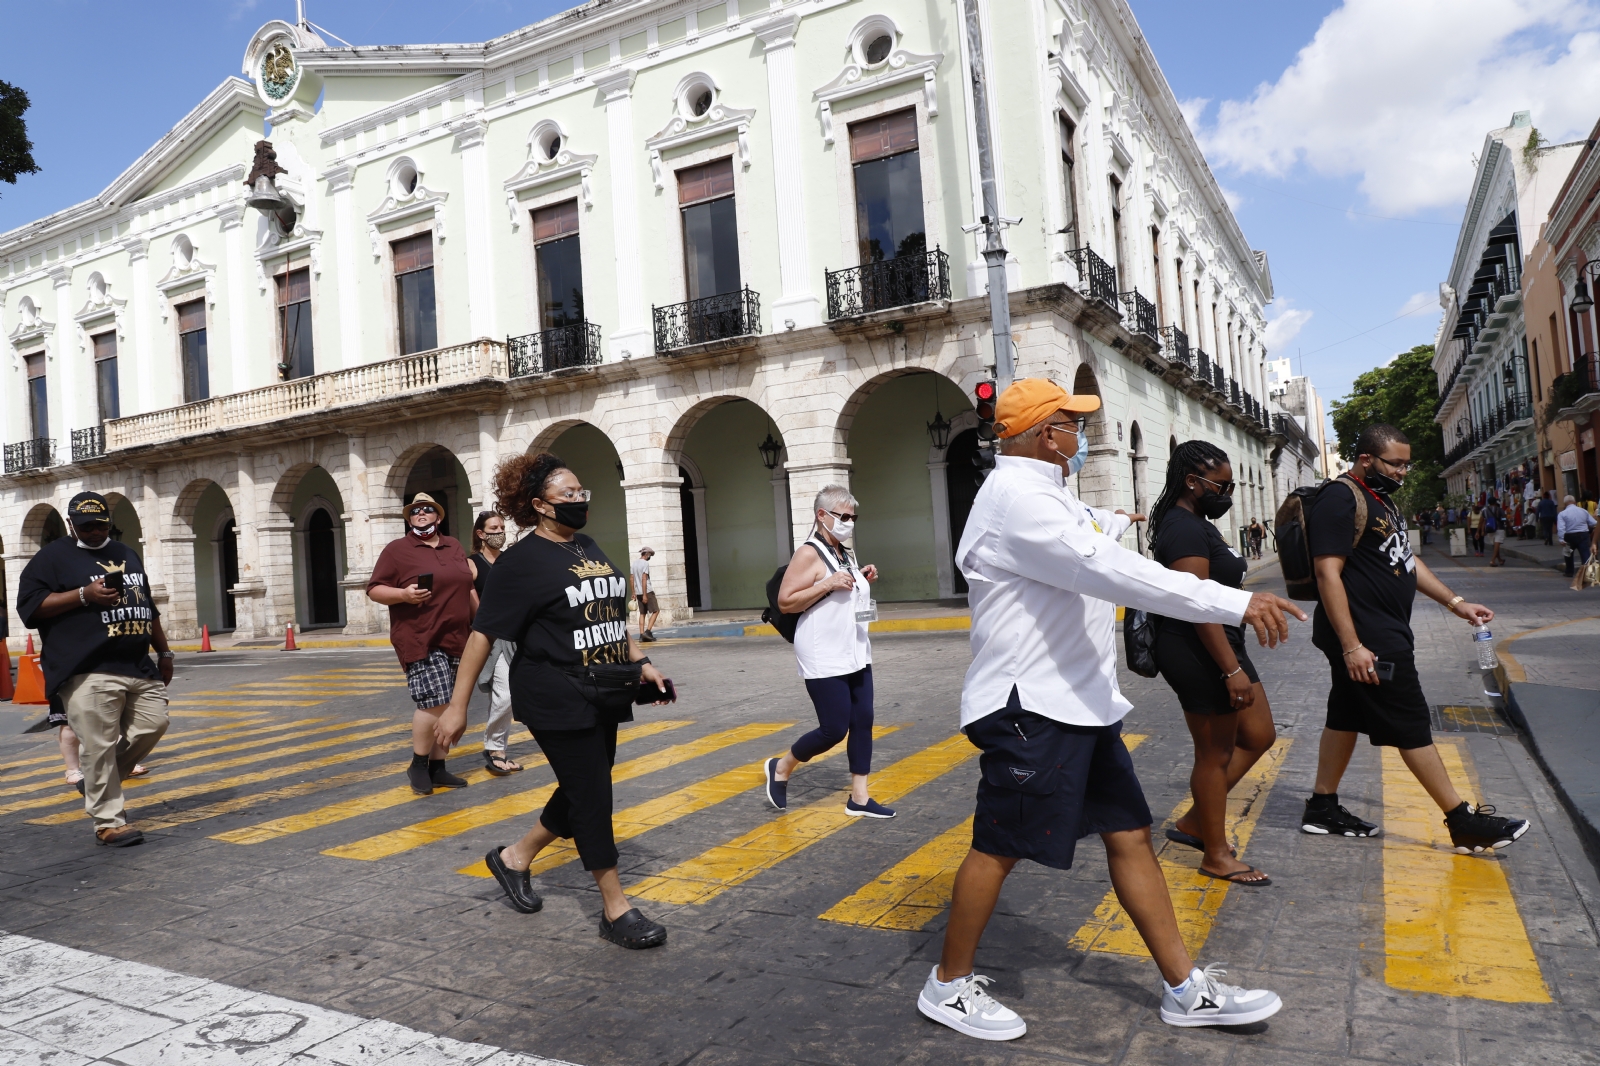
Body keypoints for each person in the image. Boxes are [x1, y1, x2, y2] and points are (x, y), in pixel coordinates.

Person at [917, 379, 1304, 1041]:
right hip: (1030, 706)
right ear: (1046, 435)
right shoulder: (1017, 500)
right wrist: (1235, 603)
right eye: (1074, 426)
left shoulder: (1046, 497)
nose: (1082, 438)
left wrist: (1115, 525)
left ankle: (1184, 989)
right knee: (999, 847)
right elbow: (1113, 572)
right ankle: (947, 987)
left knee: (1128, 836)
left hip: (1079, 704)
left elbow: (1102, 547)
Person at [434, 453, 674, 950]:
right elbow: (483, 635)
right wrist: (459, 707)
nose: (580, 499)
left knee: (583, 786)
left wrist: (639, 662)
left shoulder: (585, 544)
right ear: (540, 505)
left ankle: (515, 857)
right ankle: (615, 908)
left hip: (605, 685)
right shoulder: (520, 564)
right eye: (569, 494)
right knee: (591, 795)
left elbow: (609, 612)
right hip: (553, 691)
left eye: (581, 491)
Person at [1301, 424, 1530, 852]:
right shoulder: (1339, 497)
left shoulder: (1380, 499)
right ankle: (1462, 822)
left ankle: (1322, 806)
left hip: (1380, 632)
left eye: (1408, 464)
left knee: (1345, 714)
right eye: (1396, 463)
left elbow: (1406, 559)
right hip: (1369, 637)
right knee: (1411, 723)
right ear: (1367, 458)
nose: (1404, 472)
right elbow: (1326, 573)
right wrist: (1352, 645)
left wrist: (1455, 601)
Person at [1148, 442, 1277, 886]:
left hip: (1222, 643)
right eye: (1220, 485)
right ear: (1192, 482)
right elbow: (1195, 604)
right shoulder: (1182, 529)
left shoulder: (1197, 522)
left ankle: (1195, 822)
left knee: (1260, 735)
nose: (1227, 493)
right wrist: (1230, 669)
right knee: (1215, 754)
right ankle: (1215, 854)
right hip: (1198, 648)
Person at [15, 492, 174, 847]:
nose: (93, 531)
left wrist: (164, 652)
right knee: (99, 745)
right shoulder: (51, 559)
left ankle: (95, 782)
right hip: (86, 666)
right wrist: (83, 595)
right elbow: (29, 608)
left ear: (108, 521)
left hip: (136, 663)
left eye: (99, 524)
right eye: (85, 526)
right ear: (71, 524)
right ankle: (109, 822)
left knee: (154, 724)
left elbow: (146, 606)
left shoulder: (125, 553)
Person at [763, 486, 891, 818]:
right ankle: (782, 766)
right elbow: (786, 601)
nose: (849, 522)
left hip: (856, 648)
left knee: (863, 720)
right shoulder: (809, 552)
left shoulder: (844, 552)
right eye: (843, 516)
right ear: (823, 516)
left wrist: (862, 578)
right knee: (834, 728)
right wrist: (827, 584)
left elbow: (843, 590)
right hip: (823, 652)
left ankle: (859, 798)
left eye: (853, 517)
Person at [367, 492, 476, 795]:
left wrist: (482, 624)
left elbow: (466, 588)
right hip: (420, 637)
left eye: (428, 510)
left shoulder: (452, 545)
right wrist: (404, 595)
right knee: (434, 701)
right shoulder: (397, 550)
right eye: (415, 512)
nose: (421, 514)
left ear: (438, 517)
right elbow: (374, 589)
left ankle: (438, 767)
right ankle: (418, 763)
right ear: (409, 518)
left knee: (449, 703)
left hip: (457, 636)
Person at [468, 511, 521, 776]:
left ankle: (498, 748)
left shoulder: (508, 560)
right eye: (493, 527)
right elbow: (470, 597)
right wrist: (486, 624)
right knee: (506, 692)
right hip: (490, 635)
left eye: (502, 526)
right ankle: (493, 748)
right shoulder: (472, 563)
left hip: (514, 633)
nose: (499, 531)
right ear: (481, 533)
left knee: (510, 693)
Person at [1557, 494, 1596, 590]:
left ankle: (1569, 572)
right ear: (1574, 502)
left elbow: (1561, 527)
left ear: (1565, 503)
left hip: (1569, 536)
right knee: (1585, 554)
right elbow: (1593, 523)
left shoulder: (1562, 514)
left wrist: (1561, 539)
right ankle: (1587, 574)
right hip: (1583, 535)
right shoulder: (1583, 511)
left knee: (1568, 554)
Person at [631, 547, 659, 642]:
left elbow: (631, 578)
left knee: (642, 613)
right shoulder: (645, 563)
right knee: (656, 611)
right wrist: (644, 595)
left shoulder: (634, 563)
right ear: (646, 555)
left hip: (638, 592)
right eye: (650, 555)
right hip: (647, 591)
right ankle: (648, 632)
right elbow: (644, 579)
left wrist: (633, 592)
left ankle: (641, 634)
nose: (650, 557)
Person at [1486, 499, 1505, 567]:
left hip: (1489, 529)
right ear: (1495, 502)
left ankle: (1500, 560)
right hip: (1499, 528)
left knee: (1495, 546)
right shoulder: (1499, 509)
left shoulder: (1485, 510)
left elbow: (1482, 521)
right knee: (1497, 545)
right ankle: (1492, 560)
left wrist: (1481, 531)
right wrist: (1503, 520)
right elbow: (1504, 518)